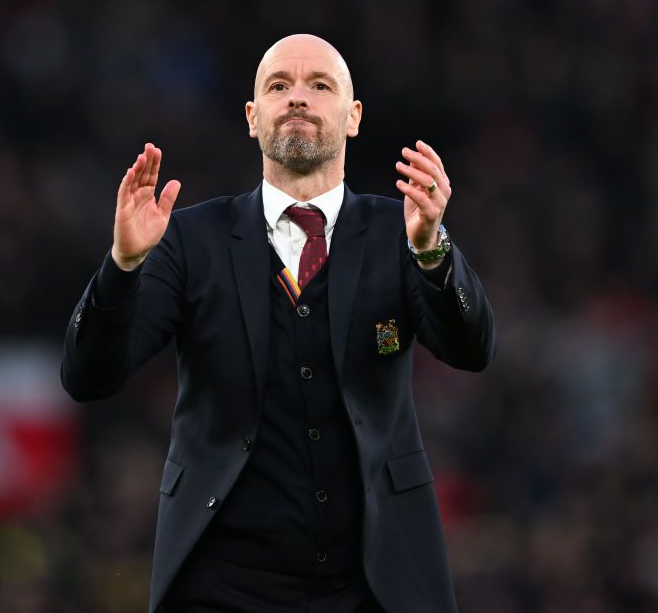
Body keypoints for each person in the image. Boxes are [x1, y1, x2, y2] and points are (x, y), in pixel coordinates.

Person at [62, 34, 495, 613]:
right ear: (251, 117)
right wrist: (122, 265)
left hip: (376, 581)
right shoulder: (188, 240)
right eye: (278, 86)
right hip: (221, 584)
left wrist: (433, 251)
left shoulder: (404, 230)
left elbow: (471, 349)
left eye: (320, 85)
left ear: (353, 117)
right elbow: (88, 376)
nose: (298, 98)